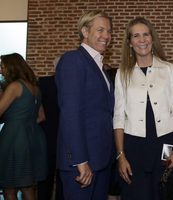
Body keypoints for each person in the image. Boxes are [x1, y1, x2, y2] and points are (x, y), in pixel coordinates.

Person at [113, 17, 173, 200]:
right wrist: (120, 156)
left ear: (152, 38)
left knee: (166, 194)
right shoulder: (122, 73)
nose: (142, 40)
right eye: (136, 36)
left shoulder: (169, 69)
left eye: (146, 34)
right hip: (133, 146)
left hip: (166, 142)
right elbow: (118, 116)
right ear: (129, 42)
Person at [55, 10, 114, 200]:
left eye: (109, 31)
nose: (106, 36)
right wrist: (80, 160)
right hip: (82, 164)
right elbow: (70, 114)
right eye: (100, 30)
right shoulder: (73, 60)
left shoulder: (99, 66)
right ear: (85, 31)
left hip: (100, 160)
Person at [0, 53, 47, 200]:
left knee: (9, 186)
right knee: (27, 186)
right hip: (33, 137)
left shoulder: (15, 86)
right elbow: (41, 117)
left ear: (12, 67)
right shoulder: (35, 88)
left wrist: (14, 121)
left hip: (14, 139)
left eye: (2, 67)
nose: (1, 70)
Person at [37, 56, 64, 200]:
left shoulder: (43, 82)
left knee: (48, 177)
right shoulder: (45, 82)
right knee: (58, 176)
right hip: (58, 136)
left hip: (49, 135)